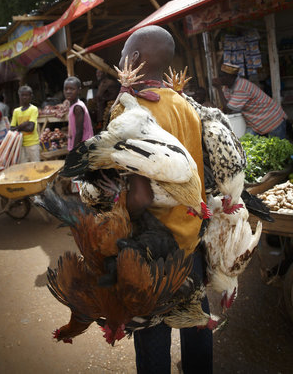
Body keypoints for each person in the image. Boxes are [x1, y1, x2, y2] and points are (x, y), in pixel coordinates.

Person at [116, 25, 212, 374]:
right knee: (195, 324)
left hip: (154, 247)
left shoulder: (133, 109)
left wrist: (112, 218)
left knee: (153, 335)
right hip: (191, 237)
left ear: (136, 58)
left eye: (124, 51)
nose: (120, 60)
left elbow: (139, 196)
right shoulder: (185, 105)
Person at [212, 62, 287, 138]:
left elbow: (229, 109)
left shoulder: (241, 87)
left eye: (221, 76)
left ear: (230, 77)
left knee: (277, 147)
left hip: (272, 119)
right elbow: (226, 107)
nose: (219, 79)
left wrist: (218, 89)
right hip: (257, 122)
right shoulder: (227, 88)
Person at [10, 85, 40, 162]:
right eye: (22, 95)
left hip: (33, 144)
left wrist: (18, 128)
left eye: (27, 95)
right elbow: (11, 129)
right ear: (19, 96)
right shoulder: (16, 111)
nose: (24, 97)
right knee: (24, 168)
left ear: (31, 96)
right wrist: (23, 125)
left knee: (36, 167)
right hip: (20, 144)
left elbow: (31, 128)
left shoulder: (33, 109)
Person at [63, 76, 94, 150]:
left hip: (83, 146)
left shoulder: (77, 107)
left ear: (79, 90)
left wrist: (74, 150)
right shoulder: (74, 105)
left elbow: (79, 131)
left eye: (72, 89)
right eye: (66, 89)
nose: (68, 92)